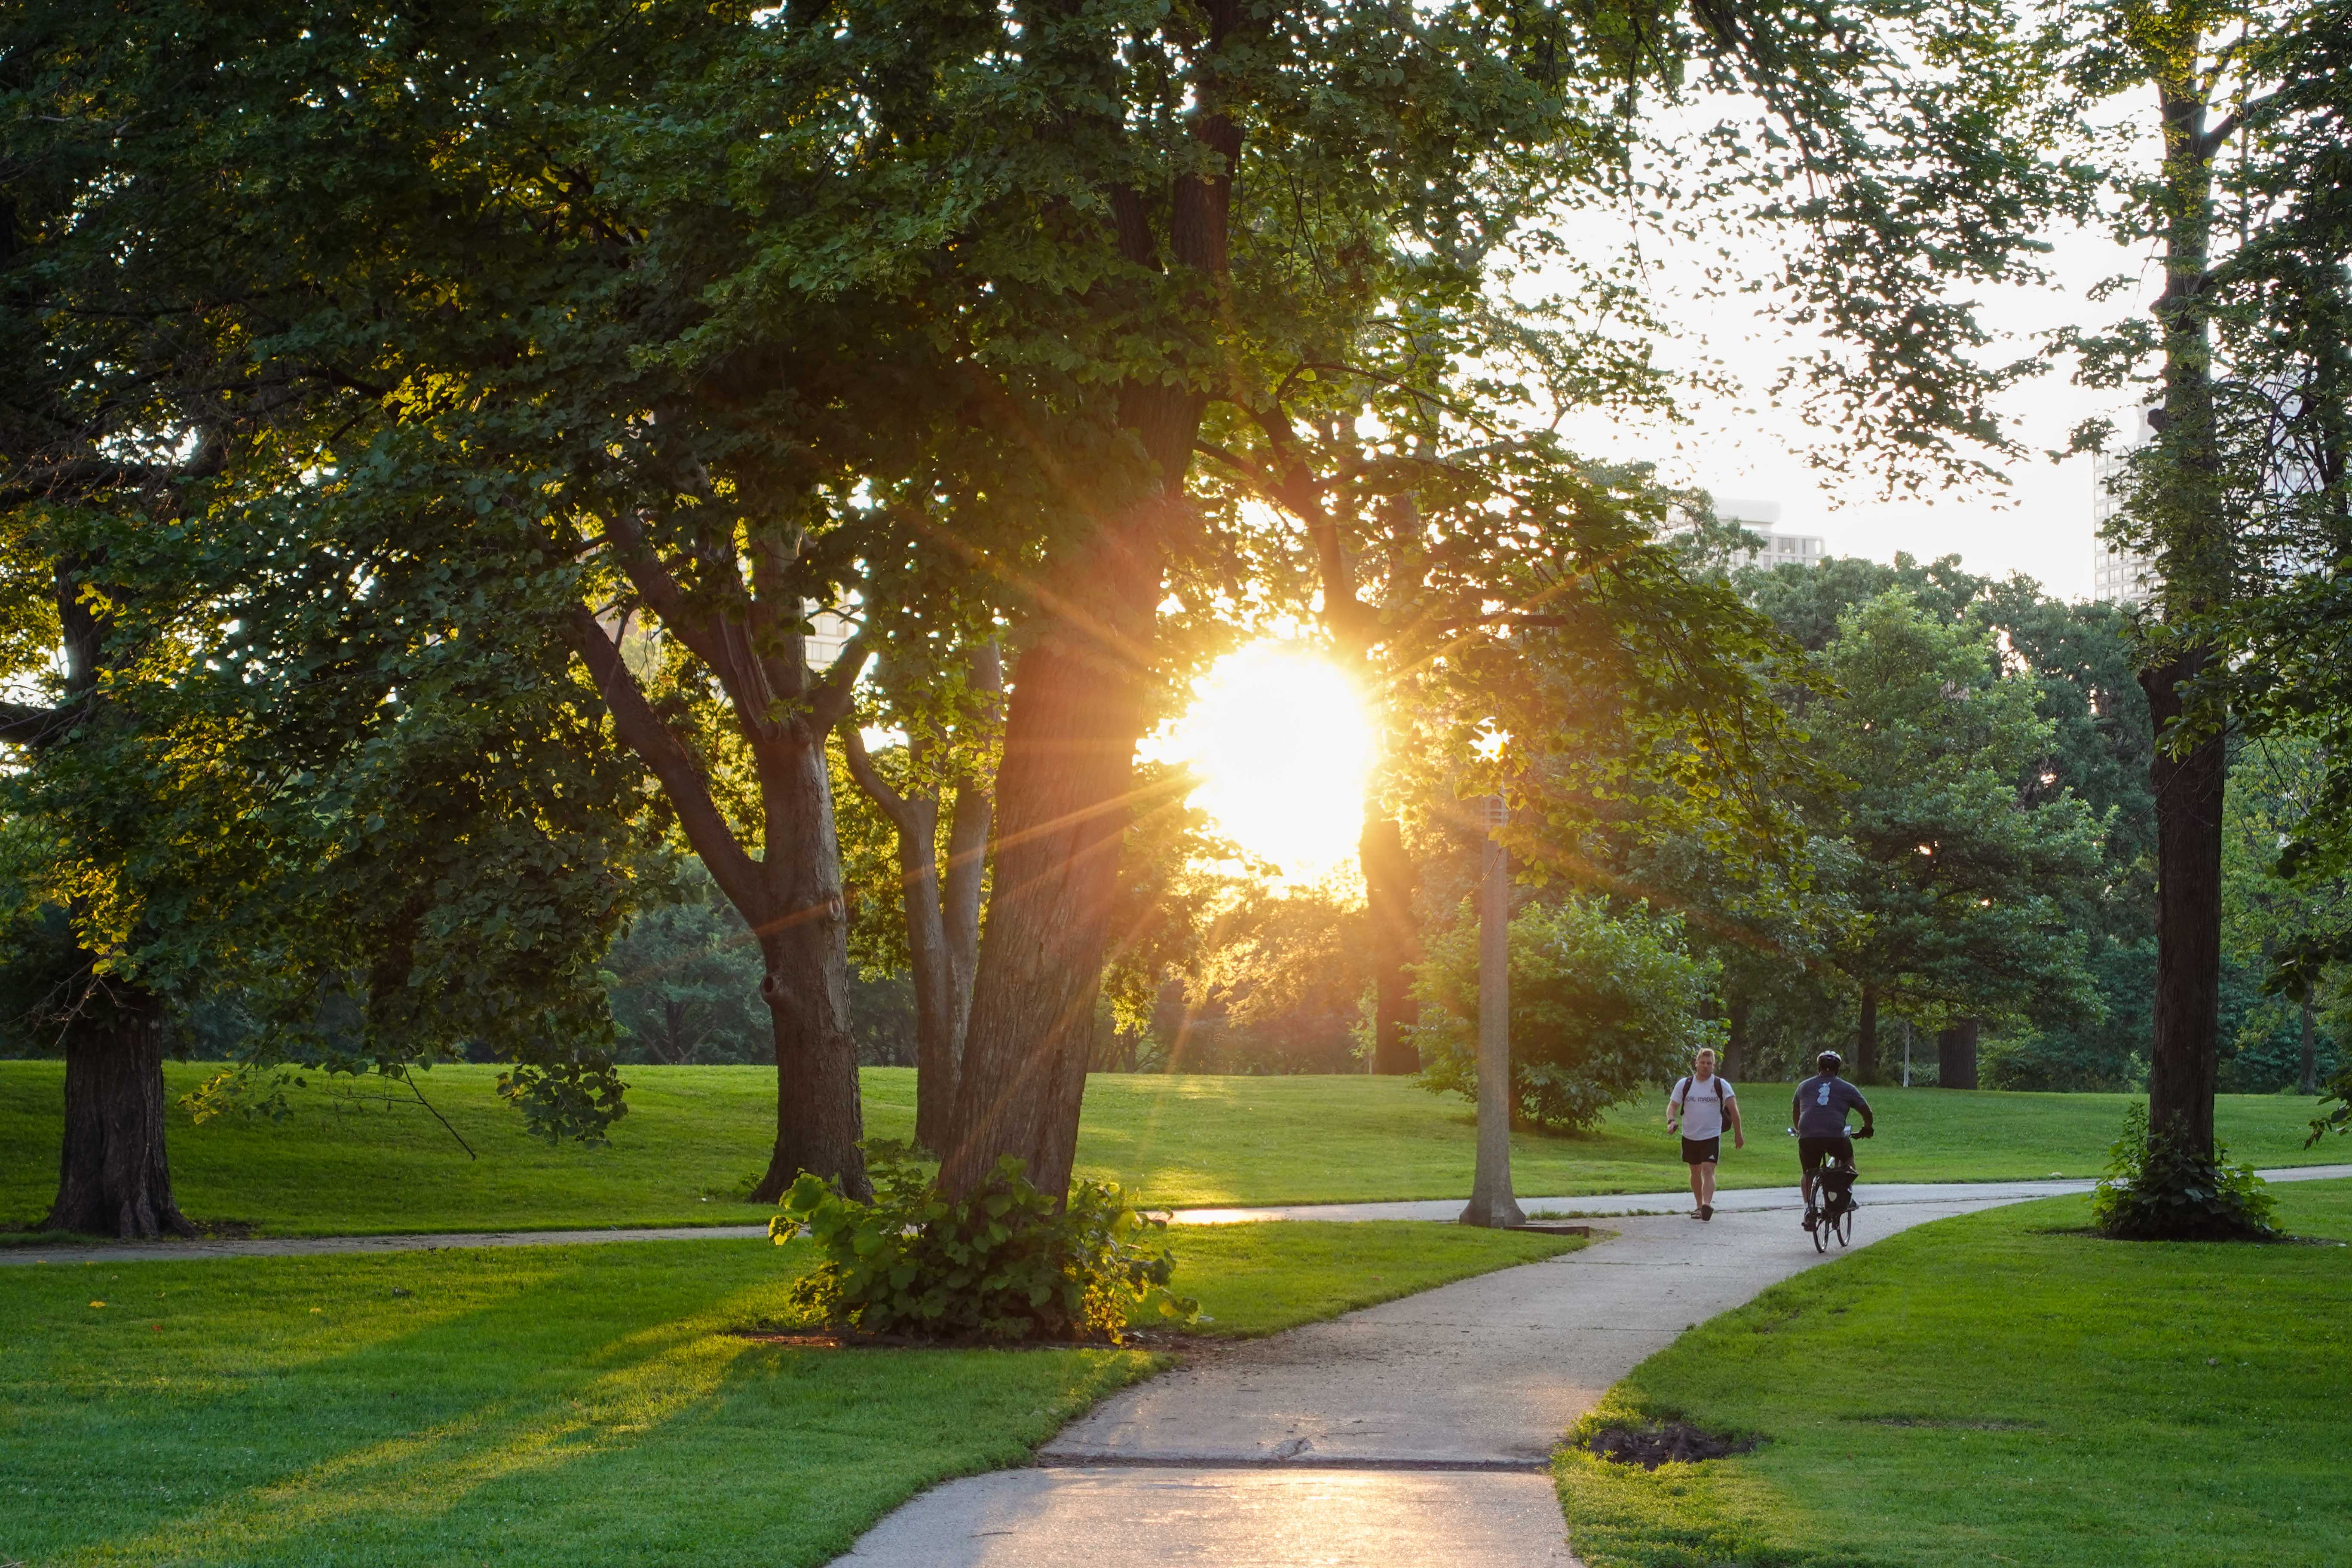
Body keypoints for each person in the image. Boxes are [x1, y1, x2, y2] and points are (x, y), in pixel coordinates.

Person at [1790, 1050, 1873, 1231]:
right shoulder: (1847, 1088)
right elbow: (1867, 1112)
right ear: (1838, 1069)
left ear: (1818, 1067)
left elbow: (1796, 1111)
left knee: (1808, 1172)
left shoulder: (1803, 1086)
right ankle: (1846, 1196)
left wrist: (1799, 1131)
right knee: (1848, 1161)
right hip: (1835, 1135)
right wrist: (1867, 1129)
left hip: (1808, 1136)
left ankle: (1808, 1209)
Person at [1666, 1047, 1742, 1221]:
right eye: (1702, 1063)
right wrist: (1671, 1121)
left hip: (1711, 1136)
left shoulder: (1721, 1085)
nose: (1705, 1066)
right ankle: (1699, 1205)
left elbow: (1734, 1111)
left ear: (1714, 1066)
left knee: (1708, 1169)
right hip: (1690, 1136)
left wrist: (1738, 1135)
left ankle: (1707, 1206)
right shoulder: (1684, 1084)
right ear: (1696, 1063)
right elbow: (1673, 1106)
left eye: (1709, 1063)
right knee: (1695, 1171)